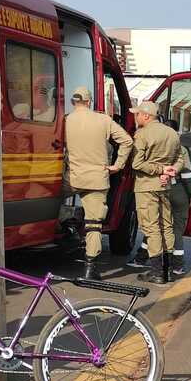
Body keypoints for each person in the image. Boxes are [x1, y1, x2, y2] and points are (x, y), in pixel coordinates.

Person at [64, 86, 133, 280]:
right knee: (94, 223)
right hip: (97, 179)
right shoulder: (103, 120)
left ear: (73, 102)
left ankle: (68, 222)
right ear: (89, 101)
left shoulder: (66, 120)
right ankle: (90, 268)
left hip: (72, 177)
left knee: (51, 200)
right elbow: (127, 141)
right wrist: (117, 166)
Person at [130, 101, 183, 284]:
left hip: (146, 187)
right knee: (166, 225)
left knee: (151, 228)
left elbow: (137, 164)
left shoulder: (142, 134)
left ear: (146, 116)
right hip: (165, 186)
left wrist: (161, 170)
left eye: (137, 114)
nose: (135, 117)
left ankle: (156, 272)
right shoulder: (172, 133)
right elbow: (180, 159)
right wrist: (171, 170)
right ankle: (168, 271)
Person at [165, 119, 191, 275]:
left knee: (158, 227)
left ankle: (142, 259)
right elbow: (188, 174)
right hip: (178, 190)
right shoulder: (181, 149)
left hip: (161, 190)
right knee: (177, 229)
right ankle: (177, 265)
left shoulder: (158, 146)